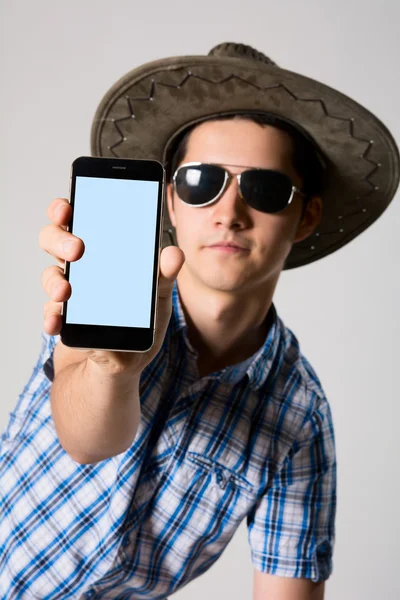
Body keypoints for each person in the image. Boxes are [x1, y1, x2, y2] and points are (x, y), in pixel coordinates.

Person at [0, 42, 398, 600]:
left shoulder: (301, 418)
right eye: (200, 182)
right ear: (169, 203)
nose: (228, 213)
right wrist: (114, 364)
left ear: (305, 215)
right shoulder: (106, 299)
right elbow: (86, 440)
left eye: (263, 189)